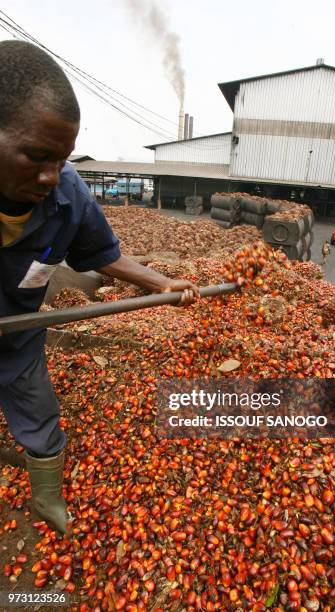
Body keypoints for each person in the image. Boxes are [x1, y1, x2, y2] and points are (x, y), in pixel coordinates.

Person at [0, 40, 199, 534]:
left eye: (62, 160)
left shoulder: (68, 193)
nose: (51, 175)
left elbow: (101, 254)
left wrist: (164, 280)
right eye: (36, 156)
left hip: (18, 329)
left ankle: (47, 498)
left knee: (37, 408)